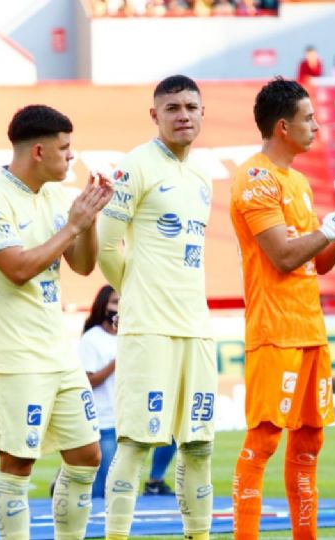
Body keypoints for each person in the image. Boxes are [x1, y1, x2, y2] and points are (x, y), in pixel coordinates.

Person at [229, 77, 335, 540]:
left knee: (310, 443)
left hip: (309, 329)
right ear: (283, 127)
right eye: (309, 118)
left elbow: (317, 262)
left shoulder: (299, 181)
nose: (317, 126)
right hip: (274, 330)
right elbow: (283, 256)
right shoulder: (256, 178)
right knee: (264, 440)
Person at [0, 104, 113, 539]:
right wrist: (73, 226)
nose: (71, 156)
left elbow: (83, 265)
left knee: (87, 455)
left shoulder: (54, 196)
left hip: (58, 353)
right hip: (15, 355)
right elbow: (17, 268)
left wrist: (89, 219)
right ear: (37, 151)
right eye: (64, 148)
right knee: (18, 463)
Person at [97, 74, 217, 540]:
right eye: (172, 108)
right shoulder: (136, 166)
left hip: (197, 328)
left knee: (199, 446)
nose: (183, 115)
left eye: (190, 106)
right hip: (148, 328)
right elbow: (107, 246)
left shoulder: (202, 176)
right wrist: (135, 292)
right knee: (136, 443)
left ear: (202, 112)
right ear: (155, 115)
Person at [79, 284, 119, 499]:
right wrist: (115, 363)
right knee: (104, 486)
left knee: (119, 485)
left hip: (127, 421)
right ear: (103, 305)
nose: (119, 308)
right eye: (114, 302)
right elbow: (88, 381)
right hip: (104, 420)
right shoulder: (92, 339)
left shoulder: (130, 336)